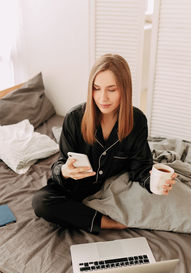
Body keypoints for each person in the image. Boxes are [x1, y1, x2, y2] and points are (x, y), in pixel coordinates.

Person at [32, 54, 176, 234]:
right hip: (76, 189)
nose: (102, 98)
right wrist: (65, 171)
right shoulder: (74, 119)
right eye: (96, 88)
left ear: (124, 89)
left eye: (112, 89)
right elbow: (61, 163)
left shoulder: (137, 120)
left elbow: (141, 168)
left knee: (171, 202)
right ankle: (106, 222)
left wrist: (156, 184)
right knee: (41, 202)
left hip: (114, 191)